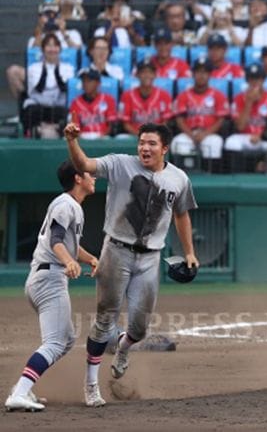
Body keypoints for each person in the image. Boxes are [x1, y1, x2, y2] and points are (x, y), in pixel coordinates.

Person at [65, 121, 198, 407]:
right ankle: (91, 384)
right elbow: (85, 163)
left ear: (165, 148)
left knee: (139, 328)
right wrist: (72, 142)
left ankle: (123, 348)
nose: (144, 148)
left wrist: (189, 252)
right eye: (141, 142)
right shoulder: (120, 164)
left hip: (150, 258)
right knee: (104, 319)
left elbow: (182, 215)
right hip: (116, 251)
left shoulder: (179, 179)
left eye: (151, 143)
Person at [3, 161, 99, 413]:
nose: (94, 178)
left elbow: (68, 244)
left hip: (45, 276)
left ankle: (23, 387)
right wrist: (68, 261)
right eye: (90, 174)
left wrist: (89, 259)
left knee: (66, 339)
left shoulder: (71, 205)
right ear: (78, 178)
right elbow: (56, 240)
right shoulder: (65, 204)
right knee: (55, 342)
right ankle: (20, 392)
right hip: (49, 278)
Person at [171, 58, 229, 164]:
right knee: (178, 142)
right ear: (193, 74)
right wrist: (191, 135)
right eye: (198, 72)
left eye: (205, 72)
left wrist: (205, 134)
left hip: (209, 133)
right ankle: (186, 174)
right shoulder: (183, 95)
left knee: (215, 143)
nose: (201, 75)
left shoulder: (218, 95)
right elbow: (179, 119)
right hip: (189, 133)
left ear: (210, 74)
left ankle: (210, 176)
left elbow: (220, 120)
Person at [21, 34, 73, 138]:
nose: (52, 49)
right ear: (43, 49)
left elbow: (64, 89)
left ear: (60, 49)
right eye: (49, 46)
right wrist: (44, 70)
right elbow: (39, 88)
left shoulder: (68, 68)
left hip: (58, 106)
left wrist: (57, 71)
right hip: (38, 105)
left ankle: (59, 132)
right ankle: (32, 132)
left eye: (55, 46)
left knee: (67, 114)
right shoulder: (33, 68)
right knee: (31, 111)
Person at [225, 63, 267, 155]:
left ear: (263, 80)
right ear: (247, 80)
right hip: (245, 136)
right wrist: (249, 102)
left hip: (265, 138)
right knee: (231, 143)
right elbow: (240, 127)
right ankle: (238, 169)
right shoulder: (238, 98)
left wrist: (261, 135)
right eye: (252, 79)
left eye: (258, 79)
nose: (255, 82)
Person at [119, 61, 173, 135]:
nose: (147, 75)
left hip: (156, 136)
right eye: (143, 72)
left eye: (150, 72)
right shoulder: (127, 95)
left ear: (155, 75)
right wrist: (140, 135)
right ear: (137, 75)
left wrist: (155, 135)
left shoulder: (164, 95)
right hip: (134, 135)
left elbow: (166, 121)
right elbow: (126, 124)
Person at [69, 69, 118, 139]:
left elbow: (111, 125)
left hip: (103, 137)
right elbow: (74, 127)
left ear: (98, 83)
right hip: (83, 137)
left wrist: (103, 136)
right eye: (83, 81)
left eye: (89, 81)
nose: (85, 84)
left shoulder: (108, 99)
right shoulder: (75, 102)